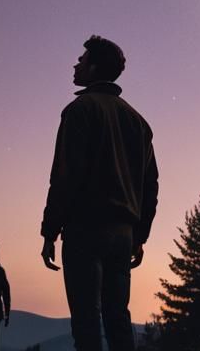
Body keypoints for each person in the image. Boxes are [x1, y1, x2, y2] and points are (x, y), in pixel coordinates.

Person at [41, 35, 159, 351]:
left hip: (85, 230)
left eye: (81, 60)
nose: (75, 64)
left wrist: (50, 231)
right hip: (123, 234)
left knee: (86, 320)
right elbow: (151, 186)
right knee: (118, 318)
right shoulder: (138, 122)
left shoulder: (80, 110)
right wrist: (139, 235)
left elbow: (65, 176)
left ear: (93, 68)